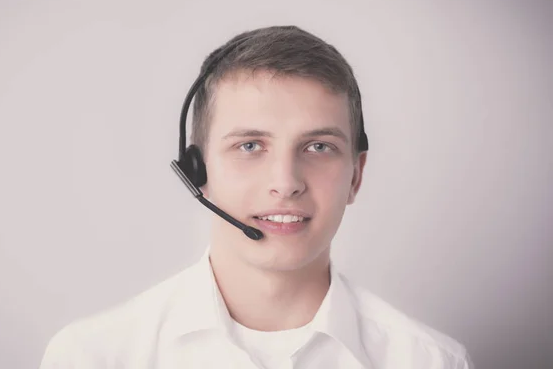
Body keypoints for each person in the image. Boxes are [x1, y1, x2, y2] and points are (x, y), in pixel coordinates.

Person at [39, 25, 474, 368]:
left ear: (356, 176)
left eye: (319, 147)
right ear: (197, 171)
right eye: (250, 146)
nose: (286, 183)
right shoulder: (93, 358)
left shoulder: (429, 361)